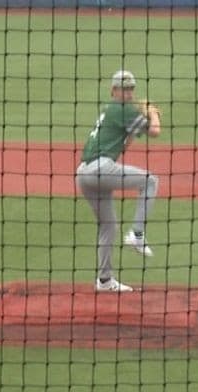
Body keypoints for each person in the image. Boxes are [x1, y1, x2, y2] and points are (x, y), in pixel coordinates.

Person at [75, 70, 163, 293]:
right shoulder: (122, 109)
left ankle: (104, 280)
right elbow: (155, 132)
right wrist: (153, 113)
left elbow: (123, 145)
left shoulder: (110, 110)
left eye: (131, 88)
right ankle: (137, 234)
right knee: (150, 181)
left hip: (84, 174)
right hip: (99, 170)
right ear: (114, 90)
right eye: (125, 89)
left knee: (109, 225)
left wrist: (134, 128)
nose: (129, 93)